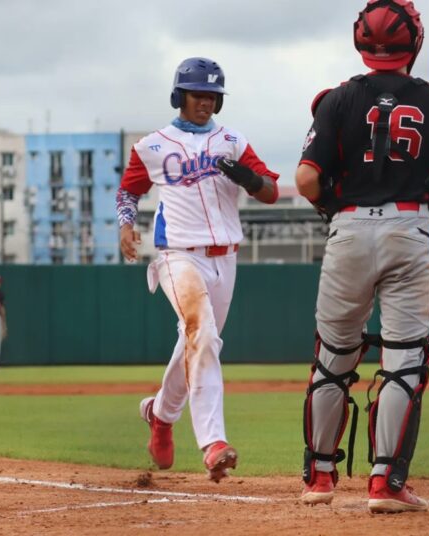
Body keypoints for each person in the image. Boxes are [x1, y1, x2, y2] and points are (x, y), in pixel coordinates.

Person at [295, 0, 429, 513]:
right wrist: (418, 213)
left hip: (348, 227)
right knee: (404, 359)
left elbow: (306, 178)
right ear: (414, 42)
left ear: (360, 41)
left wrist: (337, 209)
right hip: (410, 225)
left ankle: (319, 478)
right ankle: (384, 485)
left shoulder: (337, 101)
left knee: (333, 356)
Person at [116, 57, 279, 482]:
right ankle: (213, 443)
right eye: (197, 94)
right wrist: (126, 226)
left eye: (212, 96)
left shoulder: (233, 141)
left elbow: (272, 192)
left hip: (226, 257)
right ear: (179, 96)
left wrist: (247, 177)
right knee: (202, 334)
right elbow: (128, 192)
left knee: (196, 341)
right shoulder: (152, 145)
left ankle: (160, 415)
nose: (205, 102)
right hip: (177, 255)